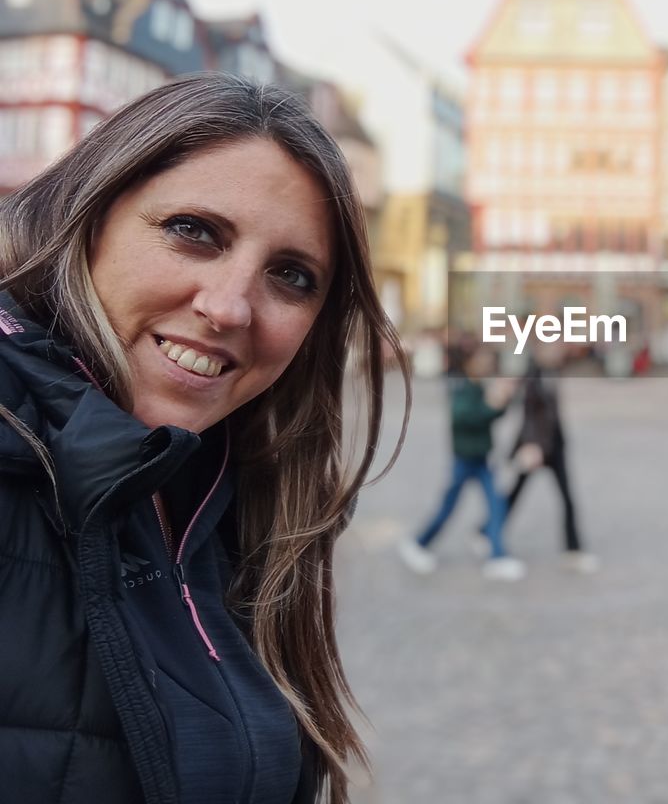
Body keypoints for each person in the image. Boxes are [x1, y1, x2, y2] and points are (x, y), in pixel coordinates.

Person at [0, 74, 409, 804]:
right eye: (195, 232)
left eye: (290, 275)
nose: (228, 307)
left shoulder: (237, 494)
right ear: (89, 215)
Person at [398, 346, 526, 581]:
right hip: (466, 458)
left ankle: (497, 554)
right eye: (482, 361)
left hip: (481, 458)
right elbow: (465, 417)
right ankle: (419, 543)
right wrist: (491, 407)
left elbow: (491, 415)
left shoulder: (478, 386)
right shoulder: (462, 387)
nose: (486, 366)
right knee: (450, 506)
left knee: (496, 504)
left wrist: (505, 399)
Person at [483, 350, 598, 573]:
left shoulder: (553, 371)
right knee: (515, 494)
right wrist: (530, 445)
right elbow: (529, 416)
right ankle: (487, 531)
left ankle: (573, 549)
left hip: (554, 447)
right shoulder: (532, 376)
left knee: (566, 498)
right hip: (536, 448)